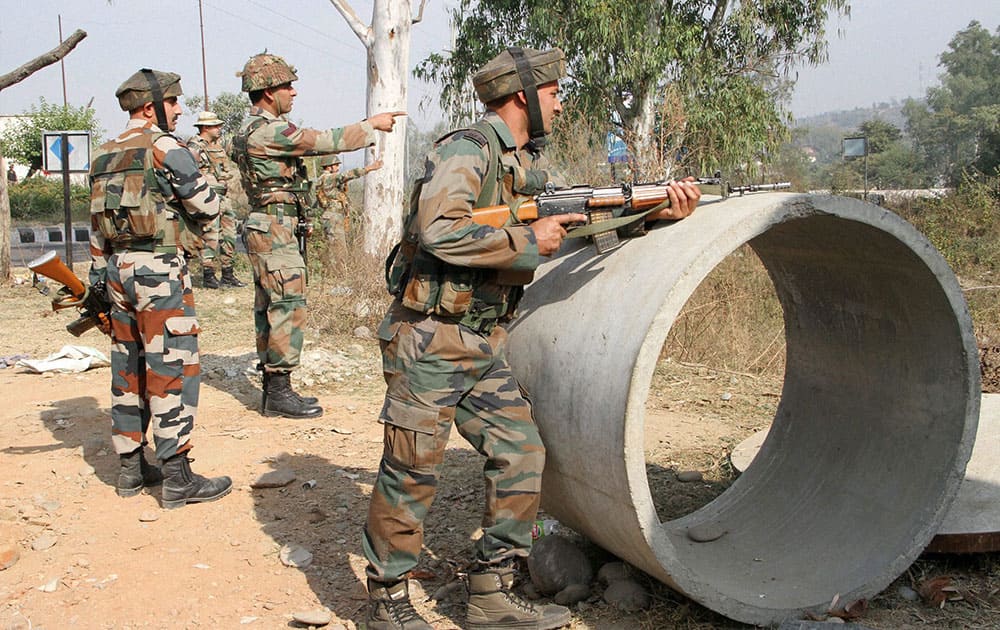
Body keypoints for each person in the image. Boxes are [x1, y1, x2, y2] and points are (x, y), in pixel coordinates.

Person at [361, 47, 702, 630]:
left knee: (521, 453)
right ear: (522, 96)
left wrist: (650, 213)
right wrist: (526, 243)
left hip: (477, 344)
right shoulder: (468, 151)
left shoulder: (519, 164)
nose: (561, 102)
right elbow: (437, 229)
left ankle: (492, 592)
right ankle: (386, 600)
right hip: (430, 340)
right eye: (553, 93)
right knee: (412, 468)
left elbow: (573, 221)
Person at [88, 68, 233, 509]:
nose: (180, 109)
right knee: (171, 367)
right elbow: (207, 205)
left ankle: (131, 470)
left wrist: (101, 275)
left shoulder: (103, 154)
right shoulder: (165, 147)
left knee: (127, 367)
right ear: (150, 107)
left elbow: (97, 227)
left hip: (116, 270)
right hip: (159, 269)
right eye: (173, 102)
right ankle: (177, 476)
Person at [231, 52, 404, 420]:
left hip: (269, 224)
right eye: (286, 86)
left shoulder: (248, 131)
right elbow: (323, 140)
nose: (294, 92)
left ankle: (274, 390)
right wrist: (371, 125)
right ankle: (278, 391)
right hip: (275, 228)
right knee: (287, 305)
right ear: (266, 92)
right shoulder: (269, 131)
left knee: (271, 304)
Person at [188, 110, 246, 289]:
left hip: (224, 196)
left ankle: (228, 274)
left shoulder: (220, 145)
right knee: (210, 235)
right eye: (215, 126)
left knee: (229, 234)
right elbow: (189, 172)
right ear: (205, 127)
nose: (219, 128)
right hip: (208, 196)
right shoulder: (195, 146)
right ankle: (208, 274)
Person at [314, 153, 382, 257]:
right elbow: (348, 175)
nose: (338, 168)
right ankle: (337, 272)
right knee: (339, 252)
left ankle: (334, 271)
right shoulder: (328, 178)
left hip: (332, 216)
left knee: (335, 250)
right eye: (336, 165)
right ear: (329, 167)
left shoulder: (323, 179)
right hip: (333, 216)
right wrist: (370, 168)